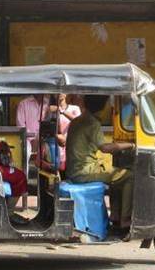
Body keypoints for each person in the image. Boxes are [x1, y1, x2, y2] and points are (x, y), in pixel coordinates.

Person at [65, 94, 136, 233]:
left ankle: (115, 215)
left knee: (117, 177)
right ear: (102, 108)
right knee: (129, 176)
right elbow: (105, 148)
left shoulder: (77, 120)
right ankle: (125, 219)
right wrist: (131, 145)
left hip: (75, 169)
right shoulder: (92, 123)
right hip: (83, 171)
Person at [15, 94, 49, 170]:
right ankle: (25, 178)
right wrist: (32, 138)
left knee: (52, 152)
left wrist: (40, 138)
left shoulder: (48, 104)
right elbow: (20, 125)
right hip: (27, 139)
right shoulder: (23, 103)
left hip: (45, 139)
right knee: (25, 152)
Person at [54, 92, 82, 171]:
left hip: (72, 142)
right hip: (57, 142)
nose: (59, 93)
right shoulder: (51, 109)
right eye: (56, 92)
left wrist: (61, 111)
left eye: (62, 91)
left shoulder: (75, 108)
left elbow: (78, 122)